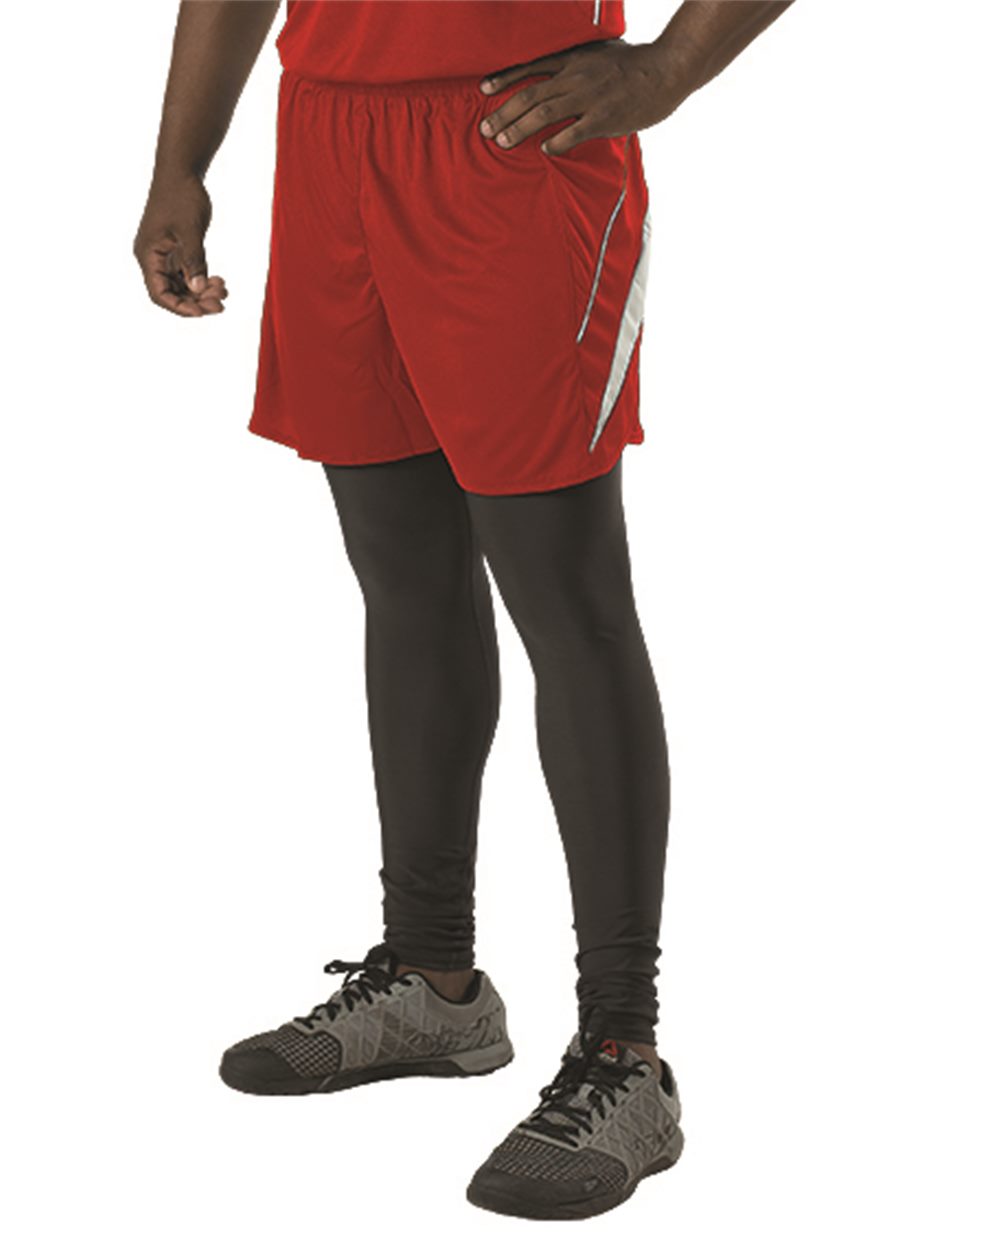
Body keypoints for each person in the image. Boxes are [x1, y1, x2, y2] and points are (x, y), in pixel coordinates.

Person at [134, 0, 795, 1220]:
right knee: (403, 581)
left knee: (566, 597)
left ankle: (623, 1054)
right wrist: (180, 164)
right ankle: (433, 980)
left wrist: (670, 69)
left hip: (514, 137)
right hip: (329, 136)